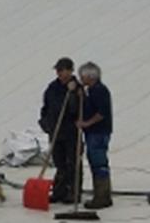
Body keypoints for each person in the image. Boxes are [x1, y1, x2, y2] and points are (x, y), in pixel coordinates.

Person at [39, 57, 83, 203]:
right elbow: (46, 108)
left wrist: (73, 95)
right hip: (55, 132)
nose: (59, 73)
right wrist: (45, 123)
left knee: (73, 163)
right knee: (59, 164)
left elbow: (78, 109)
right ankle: (59, 191)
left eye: (61, 70)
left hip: (71, 133)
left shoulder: (78, 88)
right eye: (57, 70)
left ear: (70, 71)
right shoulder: (52, 88)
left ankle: (73, 192)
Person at [77, 62, 113, 210]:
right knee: (95, 162)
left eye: (82, 76)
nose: (80, 79)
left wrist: (86, 123)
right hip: (94, 133)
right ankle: (101, 194)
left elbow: (101, 113)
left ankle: (102, 196)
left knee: (99, 163)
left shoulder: (99, 91)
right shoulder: (90, 91)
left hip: (98, 133)